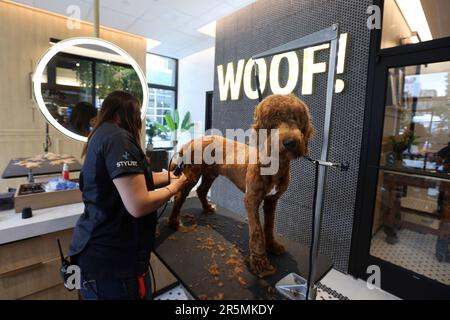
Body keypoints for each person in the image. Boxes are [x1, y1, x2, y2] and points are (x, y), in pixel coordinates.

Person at [68, 91, 187, 300]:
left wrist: (169, 177)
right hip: (113, 264)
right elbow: (138, 204)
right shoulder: (118, 138)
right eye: (137, 114)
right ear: (126, 114)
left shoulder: (100, 134)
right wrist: (175, 188)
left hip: (93, 256)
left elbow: (134, 179)